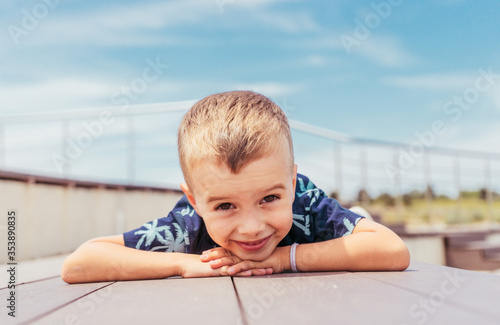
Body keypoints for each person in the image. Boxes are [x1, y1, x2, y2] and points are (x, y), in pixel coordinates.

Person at [61, 91, 410, 283]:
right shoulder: (188, 227)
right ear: (194, 201)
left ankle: (356, 217)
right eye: (225, 206)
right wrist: (184, 264)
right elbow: (79, 263)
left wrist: (284, 259)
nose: (252, 227)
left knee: (356, 225)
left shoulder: (304, 201)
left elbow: (392, 250)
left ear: (290, 184)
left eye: (270, 198)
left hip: (318, 234)